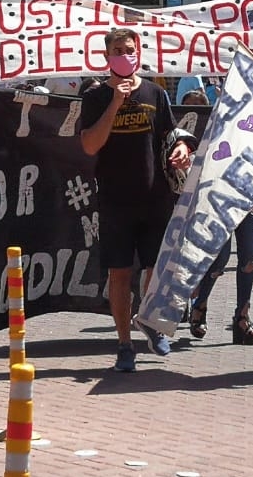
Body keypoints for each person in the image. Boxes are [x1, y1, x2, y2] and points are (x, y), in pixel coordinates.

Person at [80, 28, 193, 372]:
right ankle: (124, 344)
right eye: (117, 50)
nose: (124, 55)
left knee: (156, 271)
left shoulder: (155, 93)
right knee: (119, 274)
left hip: (155, 198)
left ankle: (149, 320)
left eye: (129, 49)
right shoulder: (95, 96)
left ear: (138, 52)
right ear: (106, 56)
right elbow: (90, 145)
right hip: (115, 200)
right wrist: (115, 102)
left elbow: (171, 133)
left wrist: (182, 148)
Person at [188, 203, 253, 346]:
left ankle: (242, 317)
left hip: (248, 199)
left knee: (249, 260)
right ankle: (199, 305)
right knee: (220, 259)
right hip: (221, 202)